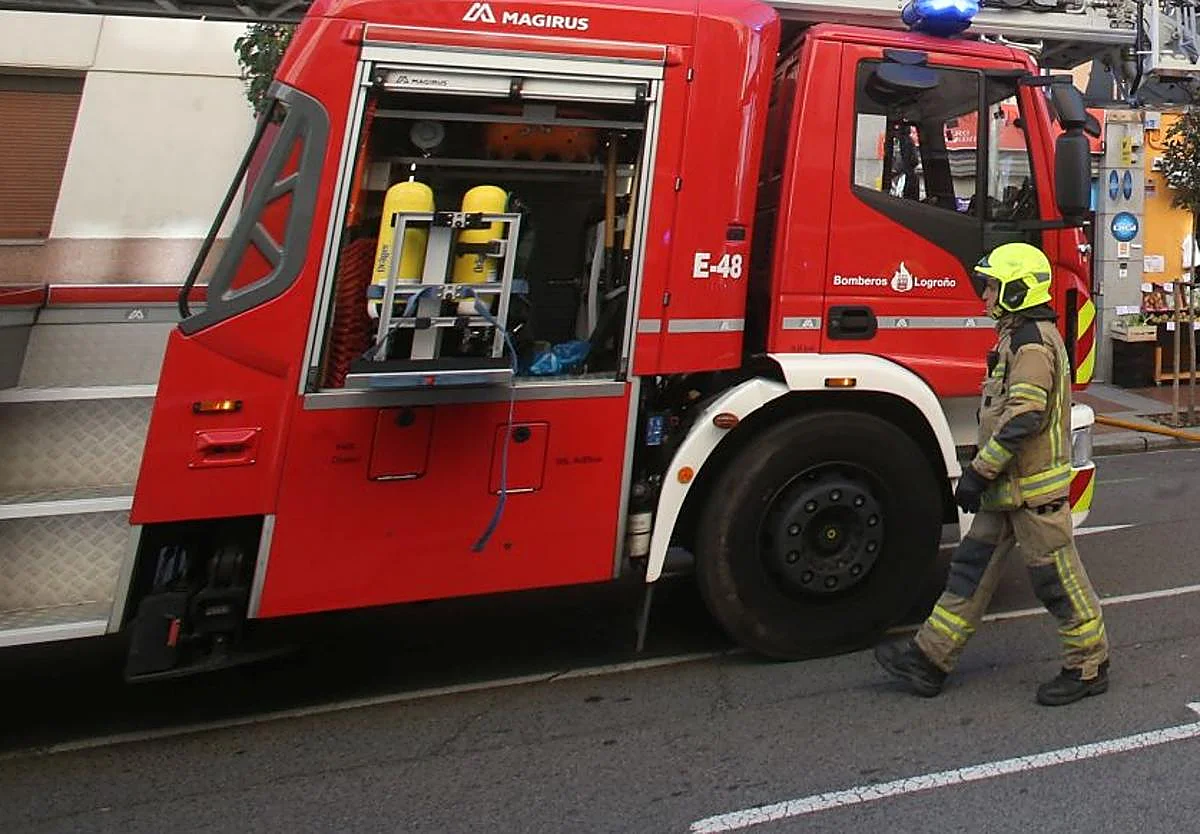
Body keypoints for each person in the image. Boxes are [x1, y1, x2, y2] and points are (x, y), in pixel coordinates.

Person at [873, 242, 1110, 706]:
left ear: (1017, 290)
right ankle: (929, 660)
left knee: (1058, 582)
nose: (985, 296)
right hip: (1008, 488)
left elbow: (1024, 416)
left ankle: (1089, 665)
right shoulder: (1016, 336)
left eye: (993, 287)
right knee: (970, 572)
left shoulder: (1031, 344)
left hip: (1031, 492)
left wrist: (978, 473)